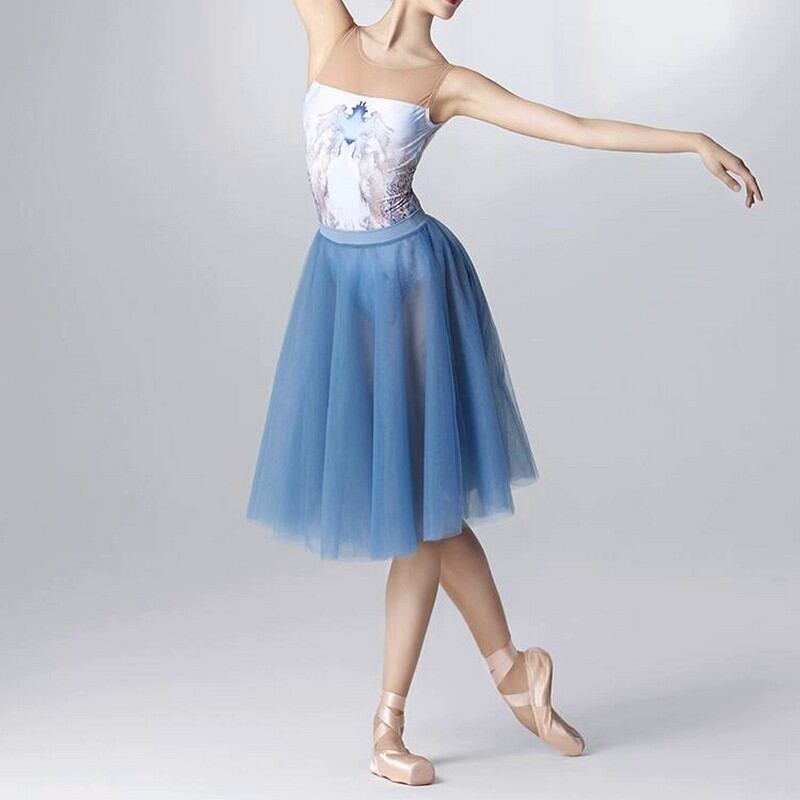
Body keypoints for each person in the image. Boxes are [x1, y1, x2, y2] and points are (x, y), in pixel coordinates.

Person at [247, 0, 764, 786]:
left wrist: (690, 140)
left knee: (418, 516)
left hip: (411, 290)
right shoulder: (331, 31)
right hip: (341, 289)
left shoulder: (444, 81)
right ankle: (514, 674)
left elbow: (574, 127)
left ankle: (392, 725)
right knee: (428, 513)